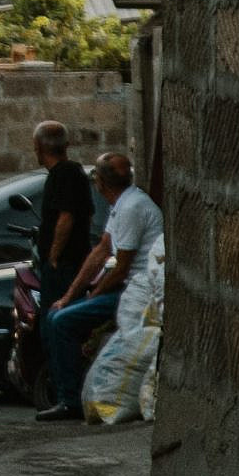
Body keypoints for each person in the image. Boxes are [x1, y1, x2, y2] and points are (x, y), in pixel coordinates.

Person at [37, 151, 163, 421]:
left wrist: (93, 294)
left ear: (100, 183)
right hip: (127, 288)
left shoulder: (132, 207)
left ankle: (69, 399)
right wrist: (70, 295)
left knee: (62, 322)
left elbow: (121, 269)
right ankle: (67, 391)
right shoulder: (121, 205)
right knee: (57, 313)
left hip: (138, 292)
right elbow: (102, 250)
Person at [31, 119, 96, 304]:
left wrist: (53, 256)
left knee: (54, 316)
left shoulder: (65, 173)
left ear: (38, 147)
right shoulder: (69, 173)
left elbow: (66, 217)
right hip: (69, 262)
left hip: (64, 264)